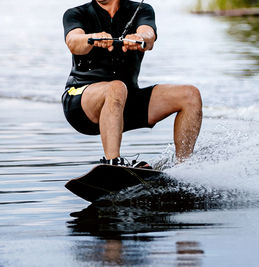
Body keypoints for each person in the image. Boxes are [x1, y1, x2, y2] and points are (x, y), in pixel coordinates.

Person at [62, 0, 202, 167]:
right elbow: (73, 41)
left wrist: (140, 37)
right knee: (116, 87)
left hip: (125, 100)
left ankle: (184, 168)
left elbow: (148, 36)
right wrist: (91, 38)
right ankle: (113, 164)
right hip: (81, 101)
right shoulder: (76, 13)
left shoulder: (141, 9)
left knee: (190, 95)